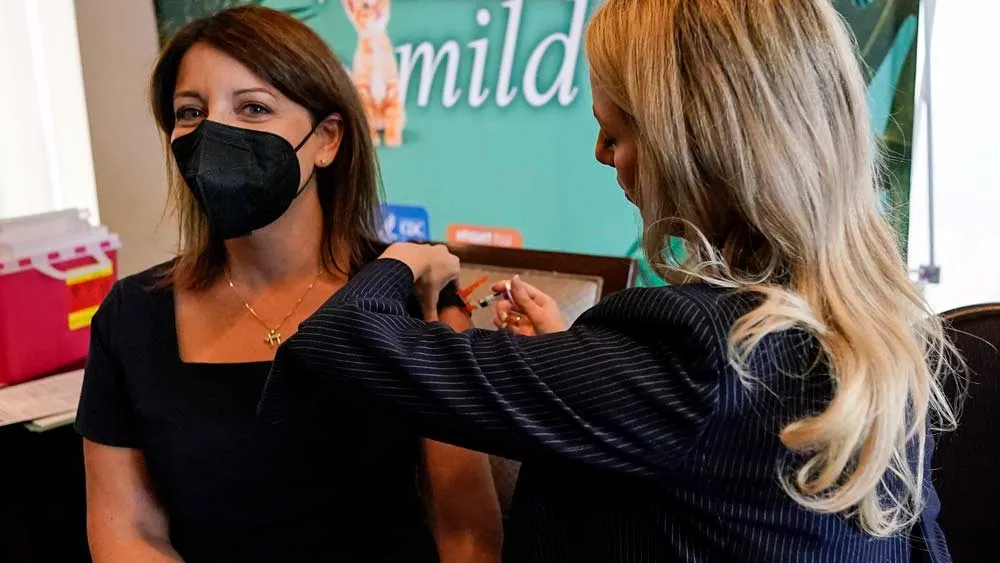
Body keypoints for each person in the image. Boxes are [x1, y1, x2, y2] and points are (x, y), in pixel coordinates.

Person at [258, 1, 958, 562]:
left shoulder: (695, 348)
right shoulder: (874, 331)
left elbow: (341, 338)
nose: (601, 154)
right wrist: (579, 359)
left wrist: (406, 260)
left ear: (693, 140)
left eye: (615, 134)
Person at [74, 7, 501, 563]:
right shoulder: (131, 316)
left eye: (253, 108)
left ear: (327, 139)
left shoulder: (415, 294)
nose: (214, 133)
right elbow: (126, 532)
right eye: (190, 112)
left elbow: (467, 532)